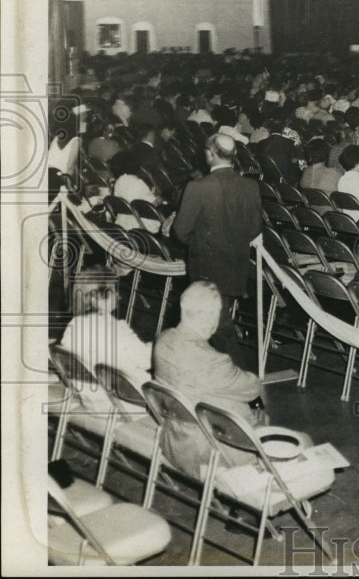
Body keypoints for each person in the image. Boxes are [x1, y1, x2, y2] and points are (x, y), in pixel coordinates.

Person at [152, 281, 265, 480]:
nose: (214, 321)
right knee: (300, 442)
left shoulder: (163, 340)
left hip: (176, 443)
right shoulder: (212, 361)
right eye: (213, 314)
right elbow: (252, 387)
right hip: (216, 452)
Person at [170, 132, 263, 367]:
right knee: (217, 324)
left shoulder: (197, 187)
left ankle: (241, 383)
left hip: (205, 267)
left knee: (219, 329)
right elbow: (254, 229)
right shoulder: (251, 186)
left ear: (209, 154)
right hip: (237, 267)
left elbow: (180, 232)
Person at [60, 267, 152, 412]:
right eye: (114, 292)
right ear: (97, 298)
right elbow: (145, 361)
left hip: (90, 402)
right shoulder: (115, 328)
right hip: (123, 407)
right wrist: (156, 346)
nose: (118, 296)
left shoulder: (73, 325)